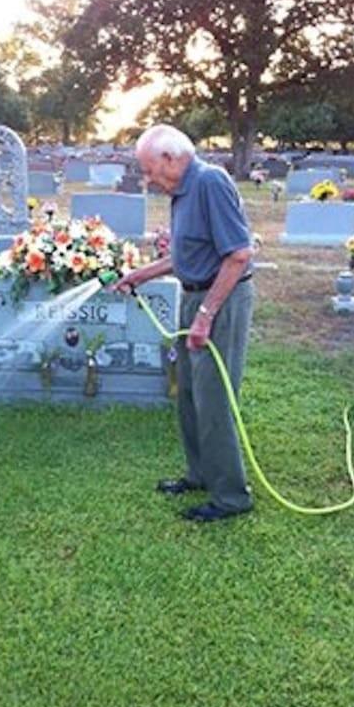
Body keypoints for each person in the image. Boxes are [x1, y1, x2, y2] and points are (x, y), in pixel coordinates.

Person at [111, 124, 255, 523]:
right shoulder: (181, 192)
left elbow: (238, 255)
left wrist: (206, 315)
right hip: (195, 295)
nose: (147, 179)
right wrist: (141, 275)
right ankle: (201, 474)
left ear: (171, 158)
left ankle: (231, 497)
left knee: (213, 398)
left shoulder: (210, 183)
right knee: (189, 392)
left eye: (149, 169)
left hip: (221, 300)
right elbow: (188, 253)